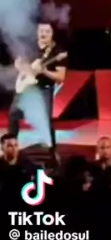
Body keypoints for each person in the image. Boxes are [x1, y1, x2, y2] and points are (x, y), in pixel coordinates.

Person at [9, 22, 67, 154]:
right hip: (26, 86)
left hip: (43, 89)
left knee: (45, 120)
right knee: (13, 115)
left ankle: (51, 151)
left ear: (52, 34)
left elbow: (61, 77)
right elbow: (19, 62)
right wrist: (22, 68)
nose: (43, 34)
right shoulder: (30, 47)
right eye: (41, 31)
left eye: (47, 31)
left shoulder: (58, 52)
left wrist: (45, 72)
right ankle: (11, 146)